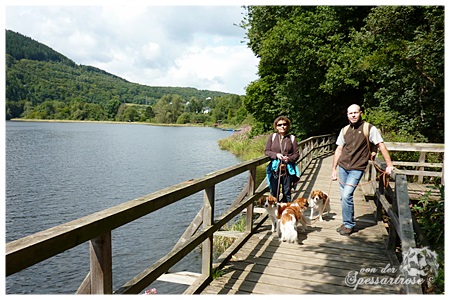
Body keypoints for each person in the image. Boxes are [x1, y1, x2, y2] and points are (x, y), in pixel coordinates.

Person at [331, 104, 394, 236]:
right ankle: (347, 221)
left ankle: (348, 225)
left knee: (347, 195)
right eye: (350, 113)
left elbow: (380, 145)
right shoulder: (344, 130)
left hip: (357, 167)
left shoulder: (369, 128)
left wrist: (389, 164)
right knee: (344, 197)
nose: (353, 115)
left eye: (355, 112)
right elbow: (338, 149)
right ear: (347, 115)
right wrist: (334, 169)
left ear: (361, 113)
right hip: (343, 166)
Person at [265, 116, 300, 203]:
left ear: (287, 125)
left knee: (287, 193)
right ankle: (275, 213)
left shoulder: (292, 138)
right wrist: (276, 155)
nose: (282, 126)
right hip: (275, 169)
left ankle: (286, 213)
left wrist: (289, 159)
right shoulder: (272, 137)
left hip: (287, 170)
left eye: (284, 124)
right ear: (276, 126)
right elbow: (266, 151)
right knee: (274, 192)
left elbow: (296, 154)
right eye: (279, 125)